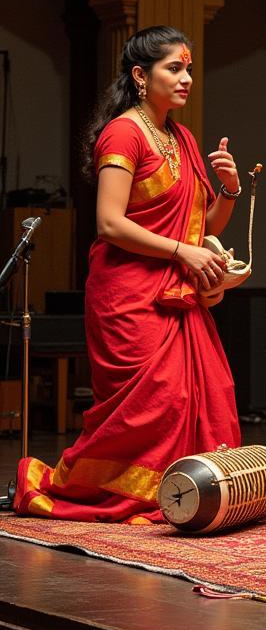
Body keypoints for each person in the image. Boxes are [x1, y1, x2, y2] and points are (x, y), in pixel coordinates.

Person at [15, 27, 242, 524]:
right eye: (173, 69)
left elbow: (204, 225)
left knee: (204, 393)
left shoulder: (181, 137)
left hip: (176, 291)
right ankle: (118, 489)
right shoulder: (123, 132)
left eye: (188, 69)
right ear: (141, 76)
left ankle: (186, 492)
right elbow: (110, 223)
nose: (186, 79)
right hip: (129, 293)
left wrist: (227, 190)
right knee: (152, 405)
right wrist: (185, 252)